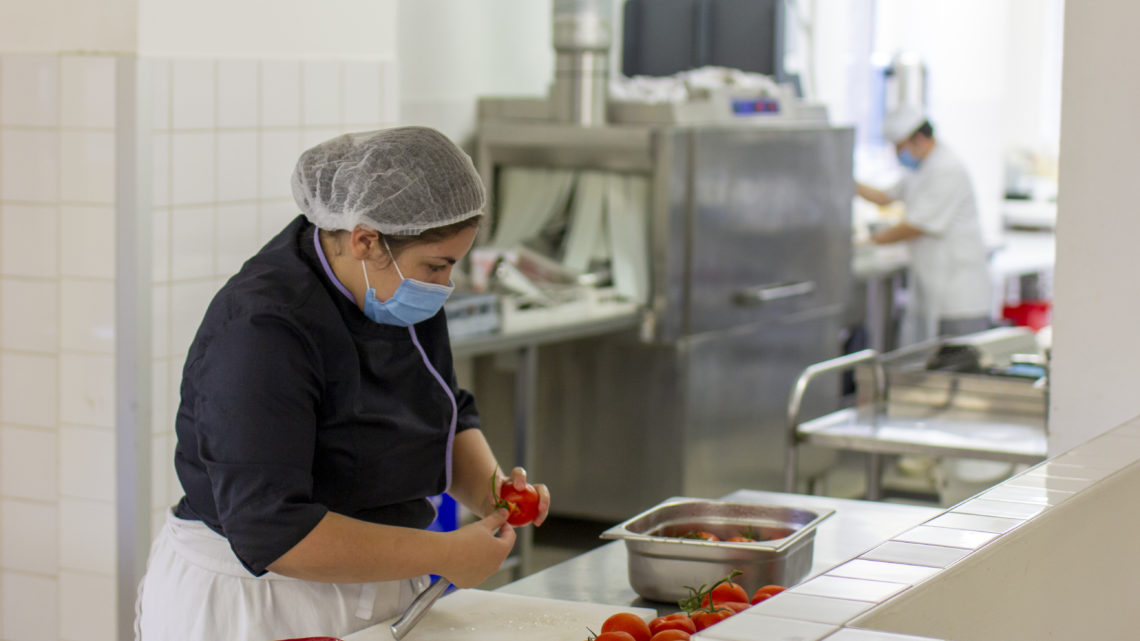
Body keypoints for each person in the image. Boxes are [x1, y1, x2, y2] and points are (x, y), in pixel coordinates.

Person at [136, 127, 551, 641]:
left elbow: (444, 409)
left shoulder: (393, 285)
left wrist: (493, 492)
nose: (444, 285)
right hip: (261, 601)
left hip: (377, 582)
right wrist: (446, 554)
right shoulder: (262, 329)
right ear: (365, 240)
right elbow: (273, 531)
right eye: (438, 266)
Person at [856, 105, 992, 342]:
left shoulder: (946, 169)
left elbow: (915, 225)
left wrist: (869, 241)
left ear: (918, 139)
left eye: (899, 148)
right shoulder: (920, 169)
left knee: (959, 368)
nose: (898, 154)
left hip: (959, 296)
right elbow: (885, 197)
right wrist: (847, 182)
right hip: (935, 288)